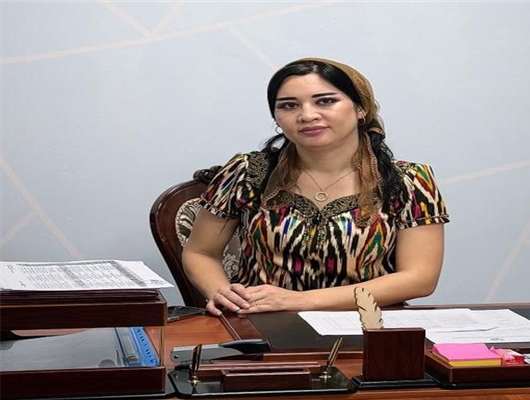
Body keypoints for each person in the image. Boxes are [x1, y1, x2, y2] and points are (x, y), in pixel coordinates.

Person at [182, 57, 450, 316]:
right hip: (261, 322)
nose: (307, 115)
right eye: (289, 106)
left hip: (367, 324)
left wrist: (301, 301)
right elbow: (200, 252)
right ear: (276, 117)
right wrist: (223, 293)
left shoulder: (410, 179)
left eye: (325, 101)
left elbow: (419, 278)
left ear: (361, 109)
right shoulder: (247, 172)